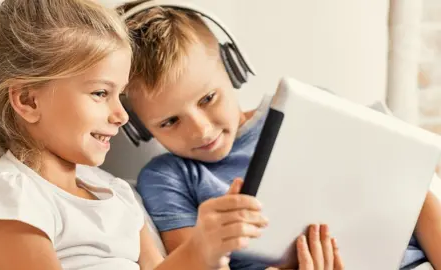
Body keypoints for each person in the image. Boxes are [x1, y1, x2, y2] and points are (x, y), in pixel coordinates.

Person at [0, 0, 342, 269]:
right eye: (100, 93)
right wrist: (201, 251)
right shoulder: (14, 195)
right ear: (28, 100)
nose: (121, 115)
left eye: (118, 94)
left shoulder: (118, 194)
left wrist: (211, 249)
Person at [117, 1, 441, 270]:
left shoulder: (314, 110)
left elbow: (416, 195)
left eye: (207, 99)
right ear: (138, 127)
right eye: (170, 121)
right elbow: (193, 259)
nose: (200, 129)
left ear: (232, 69)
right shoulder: (168, 178)